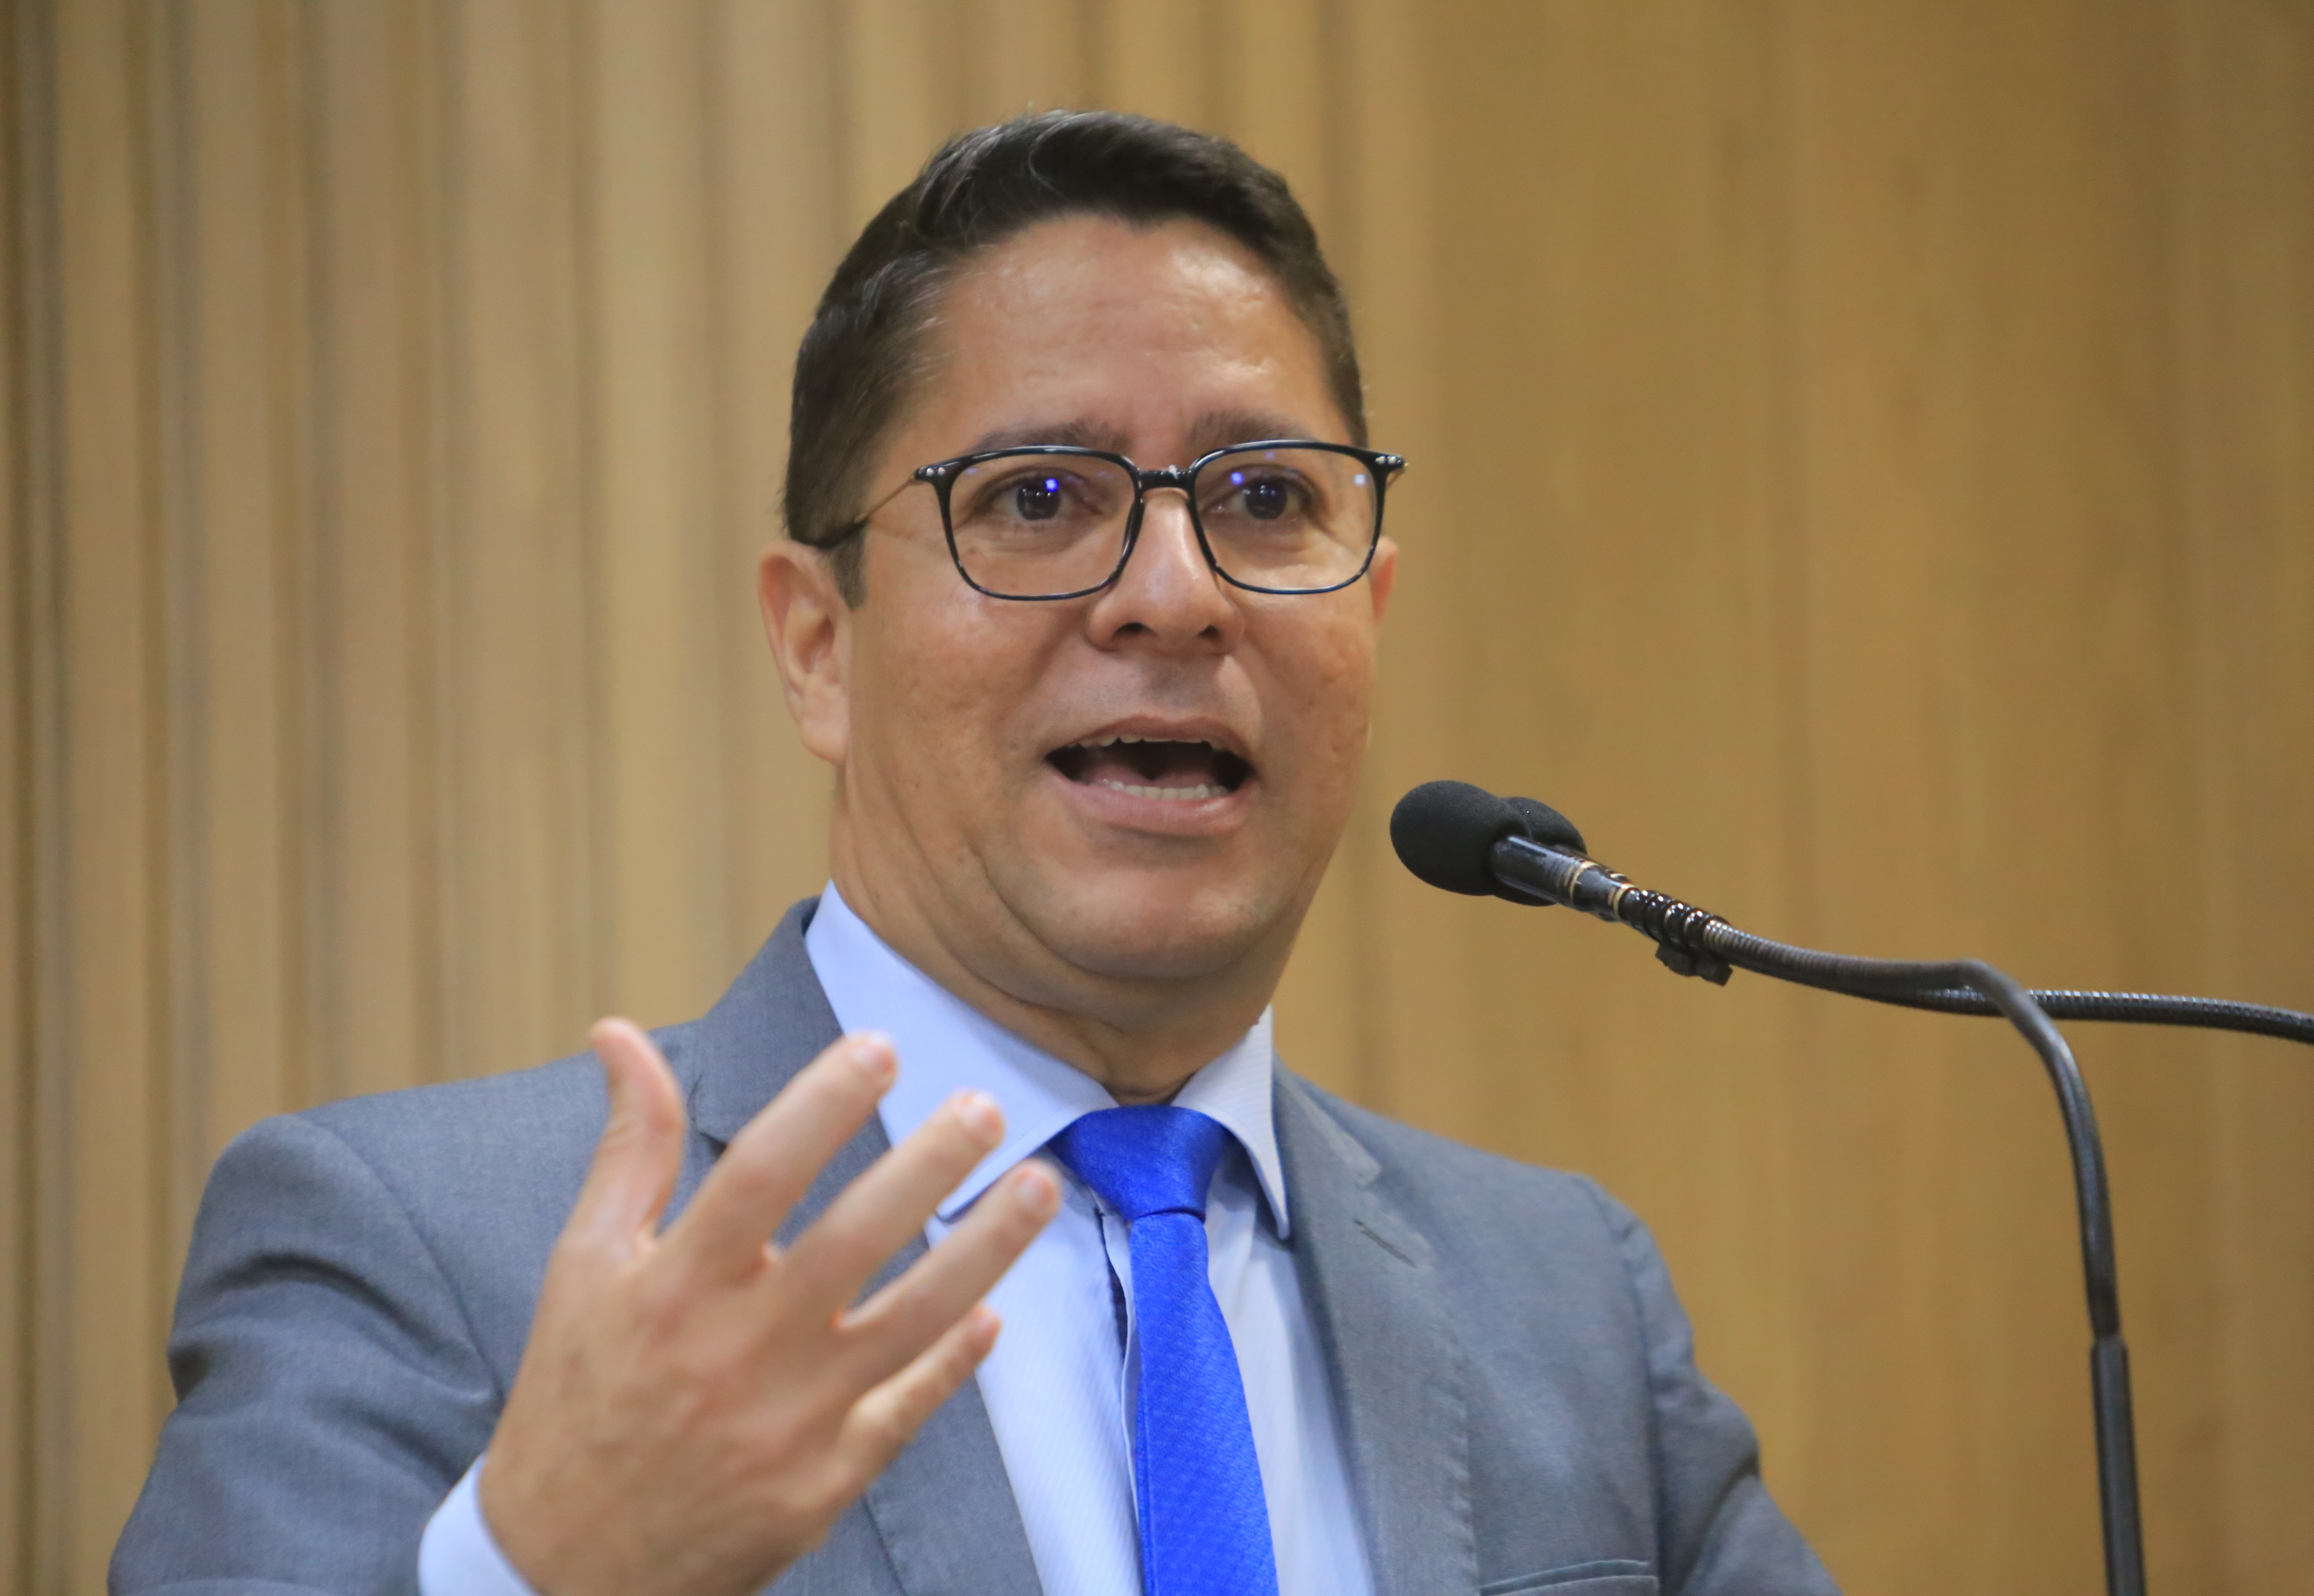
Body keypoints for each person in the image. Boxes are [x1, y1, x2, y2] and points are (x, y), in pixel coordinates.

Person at [112, 112, 1838, 1596]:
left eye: (1264, 500)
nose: (1176, 594)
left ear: (1369, 617)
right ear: (817, 645)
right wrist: (538, 1569)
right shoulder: (416, 1247)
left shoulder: (1566, 1300)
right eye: (1038, 498)